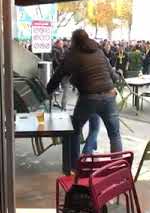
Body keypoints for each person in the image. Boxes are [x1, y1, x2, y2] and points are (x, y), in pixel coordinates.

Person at [47, 29, 122, 171]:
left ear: (74, 40)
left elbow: (59, 74)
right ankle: (118, 169)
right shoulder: (99, 52)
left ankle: (76, 168)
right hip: (108, 95)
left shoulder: (73, 55)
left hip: (89, 98)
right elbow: (112, 74)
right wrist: (116, 79)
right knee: (114, 134)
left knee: (74, 130)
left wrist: (48, 90)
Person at [52, 39, 70, 110]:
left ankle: (62, 105)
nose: (62, 45)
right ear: (57, 44)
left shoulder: (63, 50)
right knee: (65, 89)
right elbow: (56, 61)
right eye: (61, 43)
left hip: (62, 72)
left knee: (65, 89)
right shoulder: (56, 50)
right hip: (61, 72)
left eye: (62, 43)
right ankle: (63, 106)